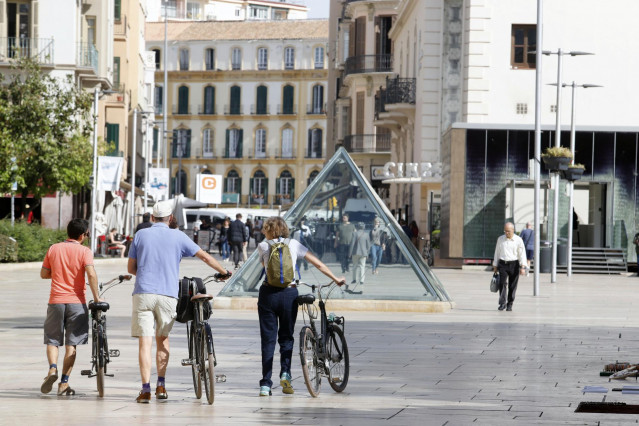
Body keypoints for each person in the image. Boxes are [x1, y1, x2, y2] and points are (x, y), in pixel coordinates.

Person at [127, 200, 230, 403]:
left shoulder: (140, 235)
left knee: (144, 343)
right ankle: (162, 386)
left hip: (143, 293)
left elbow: (131, 269)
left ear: (151, 217)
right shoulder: (178, 236)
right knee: (162, 340)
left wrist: (146, 274)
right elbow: (205, 257)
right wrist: (223, 271)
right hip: (167, 295)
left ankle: (145, 389)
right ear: (171, 218)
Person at [256, 217, 345, 397]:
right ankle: (285, 374)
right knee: (287, 337)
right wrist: (335, 279)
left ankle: (265, 384)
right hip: (289, 294)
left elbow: (265, 267)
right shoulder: (294, 244)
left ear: (269, 230)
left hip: (268, 295)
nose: (263, 232)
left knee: (268, 340)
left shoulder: (263, 246)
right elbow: (317, 263)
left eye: (265, 229)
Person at [40, 218, 101, 396]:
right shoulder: (85, 251)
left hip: (56, 301)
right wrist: (97, 298)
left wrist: (58, 272)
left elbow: (44, 274)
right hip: (76, 303)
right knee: (72, 344)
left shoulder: (54, 248)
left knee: (52, 340)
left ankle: (52, 369)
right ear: (82, 235)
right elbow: (90, 273)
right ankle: (64, 383)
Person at [492, 222, 527, 312]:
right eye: (505, 231)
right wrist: (495, 265)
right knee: (502, 284)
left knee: (512, 285)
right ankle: (502, 303)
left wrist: (523, 266)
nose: (506, 233)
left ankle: (510, 304)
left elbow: (522, 253)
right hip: (503, 264)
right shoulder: (500, 239)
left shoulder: (518, 240)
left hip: (514, 264)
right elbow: (497, 252)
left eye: (508, 231)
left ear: (513, 230)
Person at [349, 222, 371, 293]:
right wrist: (367, 253)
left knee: (354, 266)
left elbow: (352, 244)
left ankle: (354, 279)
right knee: (362, 266)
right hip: (363, 253)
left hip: (355, 252)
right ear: (364, 227)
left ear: (357, 227)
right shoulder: (366, 234)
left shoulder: (354, 234)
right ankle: (361, 280)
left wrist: (350, 253)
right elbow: (368, 245)